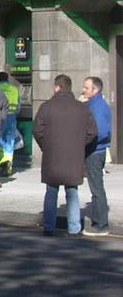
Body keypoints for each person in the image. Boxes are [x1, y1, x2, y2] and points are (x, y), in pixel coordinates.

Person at [33, 74, 97, 236]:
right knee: (72, 191)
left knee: (51, 191)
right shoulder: (82, 107)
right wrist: (79, 144)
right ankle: (74, 227)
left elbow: (37, 130)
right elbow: (92, 132)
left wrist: (45, 145)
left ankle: (48, 226)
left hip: (52, 156)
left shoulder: (46, 107)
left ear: (56, 87)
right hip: (73, 157)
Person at [81, 76, 111, 236]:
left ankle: (101, 224)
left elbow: (101, 132)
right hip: (95, 150)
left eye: (86, 88)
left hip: (95, 151)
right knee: (95, 187)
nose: (83, 90)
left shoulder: (98, 106)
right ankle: (98, 221)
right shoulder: (93, 104)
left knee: (96, 188)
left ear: (95, 90)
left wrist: (85, 142)